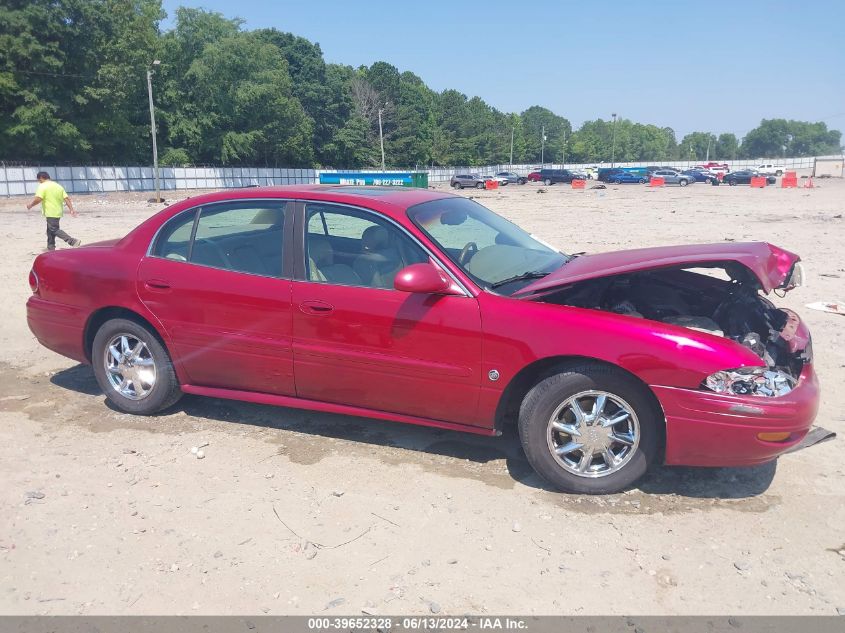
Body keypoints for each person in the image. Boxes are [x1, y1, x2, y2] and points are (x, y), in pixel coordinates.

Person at [26, 171, 81, 250]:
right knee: (50, 230)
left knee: (53, 229)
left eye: (39, 180)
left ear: (41, 178)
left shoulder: (43, 186)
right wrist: (71, 209)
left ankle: (72, 241)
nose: (39, 182)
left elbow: (38, 198)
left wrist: (30, 205)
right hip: (58, 211)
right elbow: (66, 198)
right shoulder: (58, 186)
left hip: (50, 212)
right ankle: (51, 248)